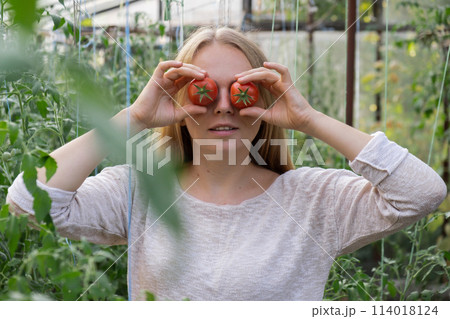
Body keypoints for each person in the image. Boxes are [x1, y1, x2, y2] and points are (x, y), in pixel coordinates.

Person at [6, 26, 447, 301]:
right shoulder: (141, 190)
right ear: (174, 98)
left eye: (241, 90)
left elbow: (422, 192)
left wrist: (308, 119)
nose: (222, 106)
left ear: (268, 97)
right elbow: (28, 200)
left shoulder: (313, 199)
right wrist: (134, 117)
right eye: (201, 89)